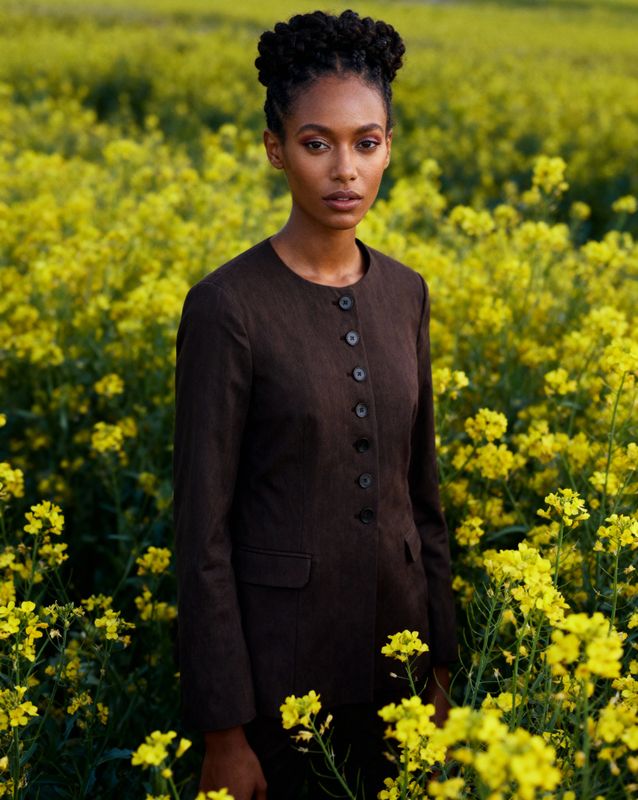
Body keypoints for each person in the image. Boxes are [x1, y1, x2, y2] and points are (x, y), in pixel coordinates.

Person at [172, 9, 458, 799]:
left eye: (367, 143)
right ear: (275, 149)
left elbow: (421, 497)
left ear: (389, 148)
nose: (345, 170)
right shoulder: (227, 307)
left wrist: (440, 667)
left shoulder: (406, 293)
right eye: (316, 143)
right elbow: (202, 532)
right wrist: (224, 732)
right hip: (276, 686)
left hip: (401, 672)